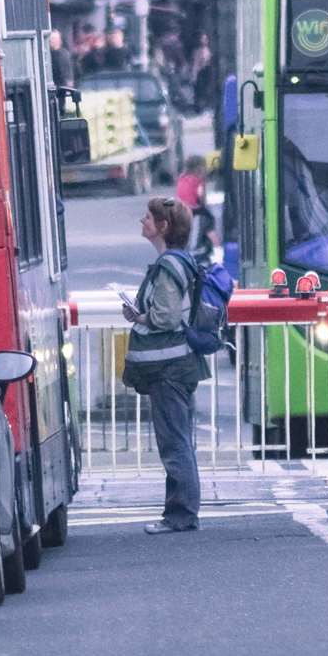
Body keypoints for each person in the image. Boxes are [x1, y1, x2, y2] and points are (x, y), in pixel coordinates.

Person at [120, 198, 207, 533]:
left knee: (174, 443)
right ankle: (180, 512)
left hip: (168, 367)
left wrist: (139, 316)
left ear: (163, 227)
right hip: (180, 365)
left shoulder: (168, 265)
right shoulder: (180, 261)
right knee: (180, 439)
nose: (143, 221)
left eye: (148, 218)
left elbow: (166, 317)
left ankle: (181, 515)